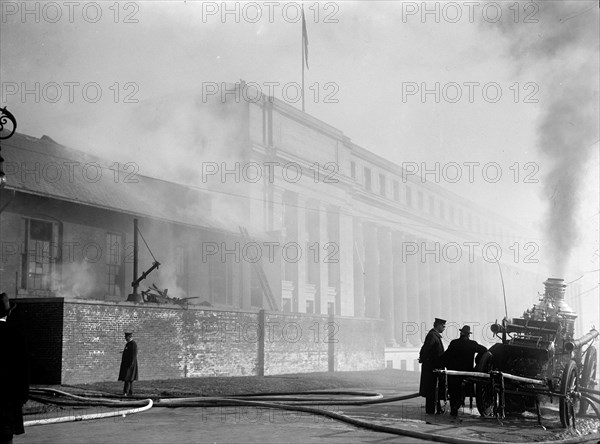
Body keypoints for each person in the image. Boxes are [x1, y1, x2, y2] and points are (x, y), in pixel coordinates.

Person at [0, 293, 29, 444]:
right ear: (9, 311)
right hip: (8, 398)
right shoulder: (15, 335)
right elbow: (23, 369)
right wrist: (23, 396)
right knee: (6, 436)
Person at [441, 325, 487, 418]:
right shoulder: (473, 344)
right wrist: (477, 363)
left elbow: (446, 356)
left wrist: (443, 364)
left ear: (461, 333)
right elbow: (484, 350)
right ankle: (457, 406)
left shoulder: (454, 343)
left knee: (453, 391)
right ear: (468, 335)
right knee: (462, 390)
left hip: (454, 372)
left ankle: (454, 408)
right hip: (466, 373)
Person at [419, 317, 446, 414]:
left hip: (434, 368)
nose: (444, 328)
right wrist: (426, 361)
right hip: (432, 369)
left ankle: (437, 408)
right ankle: (430, 411)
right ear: (438, 325)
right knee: (431, 390)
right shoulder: (432, 336)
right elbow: (425, 350)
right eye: (443, 326)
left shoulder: (434, 335)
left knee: (435, 389)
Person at [118, 331, 138, 396]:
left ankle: (125, 392)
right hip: (127, 364)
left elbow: (134, 355)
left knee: (128, 378)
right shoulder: (128, 344)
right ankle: (130, 392)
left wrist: (131, 364)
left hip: (130, 365)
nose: (125, 338)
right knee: (129, 379)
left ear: (129, 337)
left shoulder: (133, 344)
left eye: (126, 337)